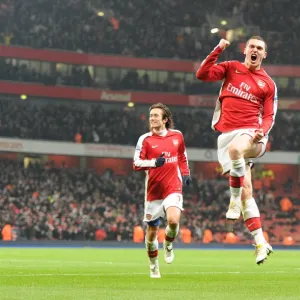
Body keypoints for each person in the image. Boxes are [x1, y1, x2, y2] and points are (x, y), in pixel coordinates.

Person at [196, 36, 277, 265]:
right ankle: (261, 243)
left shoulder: (268, 84)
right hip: (226, 135)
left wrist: (261, 130)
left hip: (252, 134)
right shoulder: (231, 68)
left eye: (260, 48)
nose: (255, 50)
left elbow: (270, 114)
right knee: (247, 194)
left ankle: (231, 201)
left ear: (264, 54)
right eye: (252, 46)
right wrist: (218, 48)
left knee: (236, 149)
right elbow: (202, 74)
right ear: (245, 50)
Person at [133, 103, 191, 278]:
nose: (152, 119)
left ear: (165, 120)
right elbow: (136, 163)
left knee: (173, 220)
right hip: (154, 191)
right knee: (151, 234)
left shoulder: (177, 136)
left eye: (156, 116)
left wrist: (186, 174)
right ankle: (153, 266)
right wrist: (152, 163)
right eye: (151, 116)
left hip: (173, 186)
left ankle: (168, 243)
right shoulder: (145, 139)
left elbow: (182, 156)